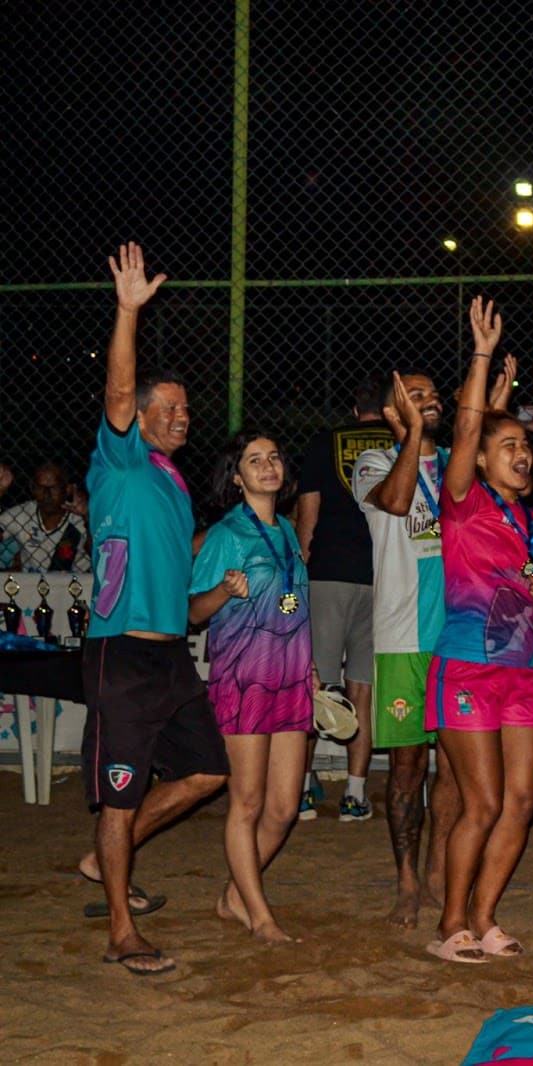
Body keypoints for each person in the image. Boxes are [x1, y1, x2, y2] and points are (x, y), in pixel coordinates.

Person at [77, 243, 229, 975]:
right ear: (137, 419)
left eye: (186, 409)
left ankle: (108, 855)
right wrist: (128, 312)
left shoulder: (170, 484)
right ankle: (119, 928)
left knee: (207, 772)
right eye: (166, 408)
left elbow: (184, 588)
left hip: (171, 653)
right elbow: (117, 390)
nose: (182, 417)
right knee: (118, 796)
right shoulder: (120, 458)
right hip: (123, 653)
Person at [425, 298, 533, 963]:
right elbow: (470, 424)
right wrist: (481, 356)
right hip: (467, 668)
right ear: (479, 459)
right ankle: (451, 923)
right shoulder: (461, 499)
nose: (523, 455)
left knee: (522, 800)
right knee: (480, 802)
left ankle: (485, 913)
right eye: (510, 447)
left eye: (527, 446)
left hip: (521, 673)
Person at [189, 431, 313, 945]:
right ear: (236, 478)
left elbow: (292, 605)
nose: (267, 466)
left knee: (284, 807)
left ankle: (235, 894)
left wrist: (311, 668)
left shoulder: (287, 530)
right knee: (247, 801)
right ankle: (259, 916)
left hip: (291, 679)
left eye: (274, 458)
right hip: (243, 680)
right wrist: (222, 590)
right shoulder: (226, 534)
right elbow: (191, 612)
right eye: (253, 461)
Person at [353, 370, 462, 928]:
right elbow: (396, 503)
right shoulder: (372, 462)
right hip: (402, 639)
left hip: (460, 635)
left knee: (460, 767)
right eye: (416, 395)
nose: (432, 400)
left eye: (433, 393)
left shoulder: (456, 463)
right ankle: (407, 882)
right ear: (394, 408)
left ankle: (441, 872)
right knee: (406, 767)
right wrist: (411, 438)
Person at [293, 377, 394, 822]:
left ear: (355, 410)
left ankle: (301, 790)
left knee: (315, 686)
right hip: (382, 577)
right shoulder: (404, 446)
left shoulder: (324, 443)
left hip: (328, 574)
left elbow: (307, 519)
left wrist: (300, 569)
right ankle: (355, 793)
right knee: (362, 689)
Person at [0, 461, 92, 573]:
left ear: (67, 489)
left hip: (75, 585)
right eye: (40, 488)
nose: (47, 495)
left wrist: (88, 518)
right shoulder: (22, 514)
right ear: (32, 488)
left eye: (54, 488)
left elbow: (97, 554)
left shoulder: (79, 517)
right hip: (31, 585)